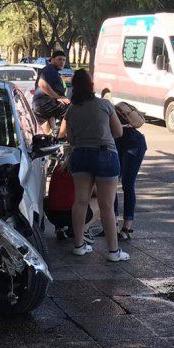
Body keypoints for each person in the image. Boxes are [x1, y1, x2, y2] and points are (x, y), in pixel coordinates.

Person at [59, 69, 128, 262]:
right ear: (91, 86)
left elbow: (70, 138)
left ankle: (79, 245)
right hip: (105, 154)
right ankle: (113, 251)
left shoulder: (71, 110)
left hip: (80, 155)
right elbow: (119, 132)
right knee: (106, 205)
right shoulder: (105, 105)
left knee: (80, 201)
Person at [111, 101, 147, 241]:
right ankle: (115, 226)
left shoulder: (105, 108)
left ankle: (124, 227)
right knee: (114, 184)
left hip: (132, 143)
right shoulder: (107, 107)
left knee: (126, 184)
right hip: (127, 142)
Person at [33, 50, 71, 135]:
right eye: (59, 59)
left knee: (49, 135)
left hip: (41, 107)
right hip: (44, 104)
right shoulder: (50, 69)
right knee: (71, 110)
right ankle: (62, 136)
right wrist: (57, 97)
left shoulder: (53, 71)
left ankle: (54, 136)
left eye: (64, 60)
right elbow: (42, 83)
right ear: (52, 59)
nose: (62, 62)